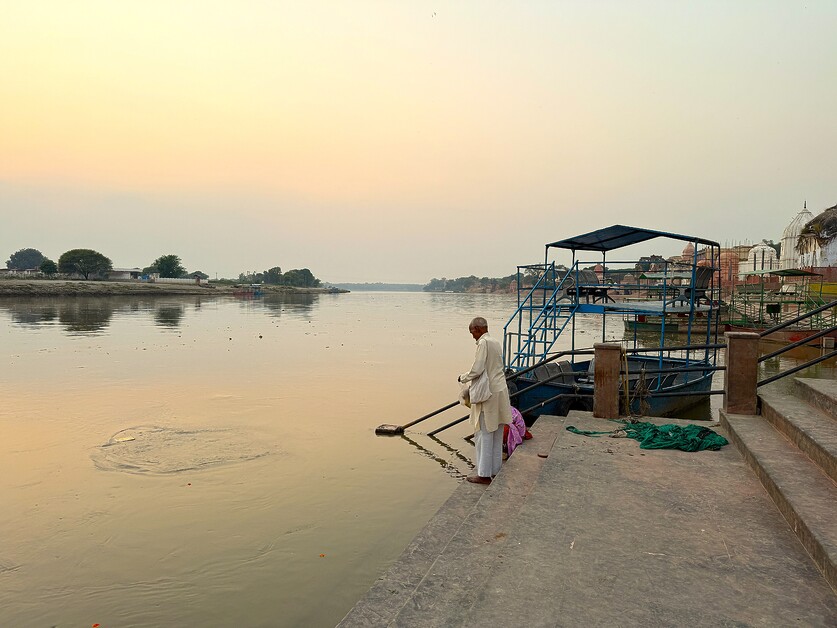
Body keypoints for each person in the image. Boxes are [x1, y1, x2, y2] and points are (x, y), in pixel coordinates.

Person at [459, 317, 512, 484]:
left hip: (488, 393)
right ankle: (495, 470)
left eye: (472, 332)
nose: (472, 337)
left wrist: (462, 377)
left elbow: (478, 368)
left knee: (484, 431)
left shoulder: (483, 343)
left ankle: (483, 474)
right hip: (500, 389)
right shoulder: (495, 342)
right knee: (496, 430)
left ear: (478, 329)